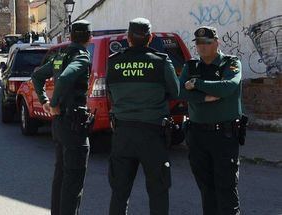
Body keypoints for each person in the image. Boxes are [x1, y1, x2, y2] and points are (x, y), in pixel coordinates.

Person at [106, 17, 179, 215]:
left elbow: (109, 94)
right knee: (158, 191)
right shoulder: (161, 62)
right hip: (153, 133)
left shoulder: (113, 62)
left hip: (123, 134)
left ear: (128, 38)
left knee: (120, 192)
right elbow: (175, 92)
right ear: (150, 38)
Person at [179, 26, 243, 215]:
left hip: (224, 134)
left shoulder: (230, 63)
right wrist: (203, 97)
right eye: (198, 43)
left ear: (216, 43)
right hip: (197, 134)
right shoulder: (191, 66)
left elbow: (228, 87)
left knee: (226, 187)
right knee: (206, 189)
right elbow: (179, 91)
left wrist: (197, 85)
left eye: (207, 43)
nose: (202, 47)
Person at [31, 20, 92, 215]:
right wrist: (53, 103)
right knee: (73, 181)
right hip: (73, 123)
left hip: (60, 125)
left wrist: (45, 101)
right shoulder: (81, 57)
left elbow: (38, 76)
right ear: (89, 38)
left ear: (70, 36)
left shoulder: (60, 55)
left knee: (61, 176)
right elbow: (65, 77)